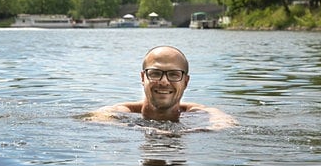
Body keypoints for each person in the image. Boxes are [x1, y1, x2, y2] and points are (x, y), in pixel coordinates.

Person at [90, 45, 236, 131]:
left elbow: (224, 124)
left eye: (173, 74)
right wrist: (143, 129)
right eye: (155, 73)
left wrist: (180, 134)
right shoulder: (124, 111)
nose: (164, 81)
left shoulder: (201, 113)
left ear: (186, 81)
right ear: (143, 78)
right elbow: (97, 118)